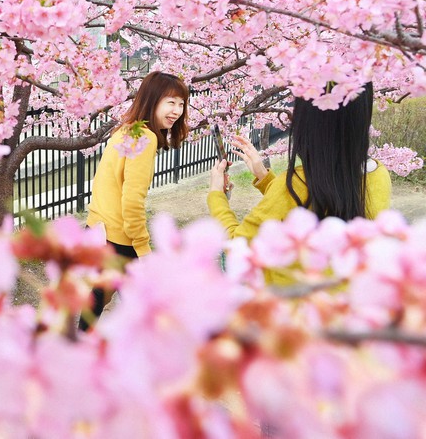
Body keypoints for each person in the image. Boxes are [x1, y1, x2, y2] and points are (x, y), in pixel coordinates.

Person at [207, 83, 391, 283]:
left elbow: (238, 249)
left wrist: (216, 196)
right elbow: (315, 197)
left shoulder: (294, 185)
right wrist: (265, 178)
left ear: (309, 123)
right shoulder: (379, 174)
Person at [80, 71, 190, 330]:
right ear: (152, 100)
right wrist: (142, 246)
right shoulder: (146, 137)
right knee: (137, 309)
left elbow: (104, 183)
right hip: (119, 240)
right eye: (170, 102)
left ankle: (77, 354)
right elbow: (132, 199)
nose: (176, 110)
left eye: (181, 104)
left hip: (98, 230)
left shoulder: (126, 130)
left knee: (96, 304)